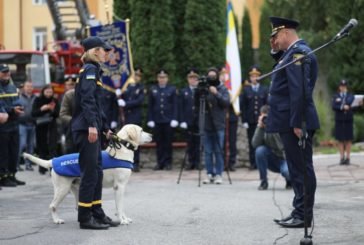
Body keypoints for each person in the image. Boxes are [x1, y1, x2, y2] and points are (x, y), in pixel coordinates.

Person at [267, 17, 320, 228]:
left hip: (295, 122)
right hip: (289, 120)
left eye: (276, 36)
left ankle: (304, 215)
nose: (274, 41)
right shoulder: (291, 53)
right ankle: (299, 210)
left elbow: (299, 92)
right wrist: (275, 50)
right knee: (296, 167)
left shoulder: (298, 54)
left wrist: (298, 122)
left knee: (302, 169)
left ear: (286, 32)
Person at [71, 36, 119, 229]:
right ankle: (85, 217)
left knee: (97, 172)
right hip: (86, 129)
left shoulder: (94, 70)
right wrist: (92, 125)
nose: (107, 53)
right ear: (94, 51)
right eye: (104, 50)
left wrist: (105, 127)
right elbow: (87, 100)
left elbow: (98, 106)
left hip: (92, 128)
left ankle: (97, 213)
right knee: (90, 173)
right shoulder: (90, 70)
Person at [200, 68, 230, 184]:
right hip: (207, 124)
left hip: (218, 124)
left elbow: (226, 103)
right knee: (207, 151)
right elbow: (198, 102)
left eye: (213, 76)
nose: (211, 78)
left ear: (217, 77)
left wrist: (216, 93)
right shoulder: (205, 89)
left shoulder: (222, 88)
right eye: (209, 76)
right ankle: (209, 173)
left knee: (218, 151)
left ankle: (218, 174)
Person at [252, 105, 291, 190]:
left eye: (267, 117)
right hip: (274, 159)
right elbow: (255, 144)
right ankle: (263, 181)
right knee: (259, 151)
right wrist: (259, 127)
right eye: (263, 117)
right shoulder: (263, 127)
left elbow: (280, 146)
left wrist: (272, 127)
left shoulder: (281, 124)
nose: (265, 119)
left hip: (285, 158)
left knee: (287, 172)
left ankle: (290, 181)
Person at [147, 69, 178, 171]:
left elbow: (175, 105)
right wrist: (150, 119)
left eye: (164, 77)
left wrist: (174, 118)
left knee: (168, 143)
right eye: (160, 77)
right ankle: (160, 163)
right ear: (157, 78)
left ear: (167, 79)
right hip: (157, 120)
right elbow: (150, 106)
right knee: (159, 143)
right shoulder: (153, 89)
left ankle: (168, 163)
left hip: (168, 121)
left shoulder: (172, 89)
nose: (162, 79)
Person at [0, 64, 26, 187]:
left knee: (14, 152)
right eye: (3, 72)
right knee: (3, 152)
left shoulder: (12, 87)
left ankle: (12, 175)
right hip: (3, 126)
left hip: (14, 124)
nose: (6, 74)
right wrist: (11, 110)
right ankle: (3, 176)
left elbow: (18, 101)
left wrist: (20, 108)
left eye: (8, 72)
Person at [241, 66, 268, 170]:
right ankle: (253, 163)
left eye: (256, 76)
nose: (254, 78)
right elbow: (243, 106)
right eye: (252, 76)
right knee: (252, 142)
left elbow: (267, 105)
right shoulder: (246, 90)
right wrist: (244, 120)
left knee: (262, 142)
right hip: (251, 121)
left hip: (262, 121)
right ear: (250, 78)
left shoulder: (264, 89)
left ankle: (262, 163)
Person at [119, 66, 145, 172]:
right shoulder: (125, 87)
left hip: (135, 118)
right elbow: (120, 97)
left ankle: (136, 163)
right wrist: (118, 94)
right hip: (126, 117)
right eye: (135, 75)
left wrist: (126, 104)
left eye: (139, 76)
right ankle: (126, 162)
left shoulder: (141, 88)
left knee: (135, 142)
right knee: (124, 141)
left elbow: (139, 101)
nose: (136, 77)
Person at [32, 85, 60, 174]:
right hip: (41, 126)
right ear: (43, 92)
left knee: (53, 146)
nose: (49, 94)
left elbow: (57, 114)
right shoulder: (38, 100)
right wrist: (42, 109)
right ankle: (42, 168)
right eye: (47, 92)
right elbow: (33, 113)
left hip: (52, 125)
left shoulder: (54, 100)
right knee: (42, 146)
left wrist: (51, 110)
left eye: (50, 92)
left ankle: (53, 168)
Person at [179, 68, 200, 170]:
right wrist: (182, 120)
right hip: (188, 121)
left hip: (199, 121)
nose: (193, 80)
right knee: (190, 142)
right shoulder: (184, 91)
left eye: (195, 78)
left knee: (198, 142)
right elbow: (180, 107)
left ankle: (197, 162)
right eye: (191, 78)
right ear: (188, 79)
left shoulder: (200, 91)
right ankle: (191, 161)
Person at [332, 79, 354, 165]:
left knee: (348, 139)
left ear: (346, 87)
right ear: (339, 87)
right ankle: (341, 157)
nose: (343, 87)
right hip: (339, 120)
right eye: (342, 86)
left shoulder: (350, 95)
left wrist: (341, 102)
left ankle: (348, 157)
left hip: (348, 120)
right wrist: (342, 106)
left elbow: (350, 102)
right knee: (340, 139)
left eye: (344, 86)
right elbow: (334, 106)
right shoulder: (335, 96)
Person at [220, 66, 238, 172]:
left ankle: (232, 162)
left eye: (225, 74)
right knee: (221, 141)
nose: (224, 77)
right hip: (221, 118)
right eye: (222, 74)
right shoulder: (219, 87)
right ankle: (222, 162)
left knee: (232, 141)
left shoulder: (233, 87)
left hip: (232, 117)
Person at [17, 81, 36, 171]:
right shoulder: (19, 98)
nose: (29, 88)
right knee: (22, 144)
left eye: (31, 86)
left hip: (32, 124)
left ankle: (28, 164)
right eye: (27, 86)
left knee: (31, 146)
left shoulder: (36, 98)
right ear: (24, 87)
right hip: (22, 125)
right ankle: (16, 164)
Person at [59, 87, 76, 153]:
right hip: (73, 129)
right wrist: (76, 121)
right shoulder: (70, 95)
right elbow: (63, 114)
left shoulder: (94, 94)